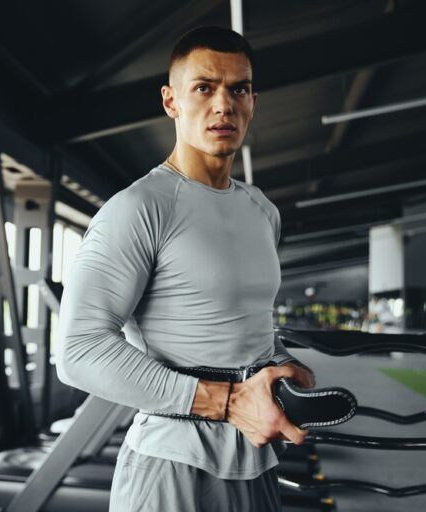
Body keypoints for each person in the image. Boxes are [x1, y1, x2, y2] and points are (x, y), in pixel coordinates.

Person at [56, 26, 316, 512]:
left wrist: (281, 364)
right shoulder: (138, 208)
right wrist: (227, 401)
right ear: (171, 101)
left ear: (253, 101)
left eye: (238, 89)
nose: (224, 105)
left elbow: (239, 321)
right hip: (171, 464)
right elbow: (78, 350)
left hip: (256, 461)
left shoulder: (262, 211)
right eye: (204, 88)